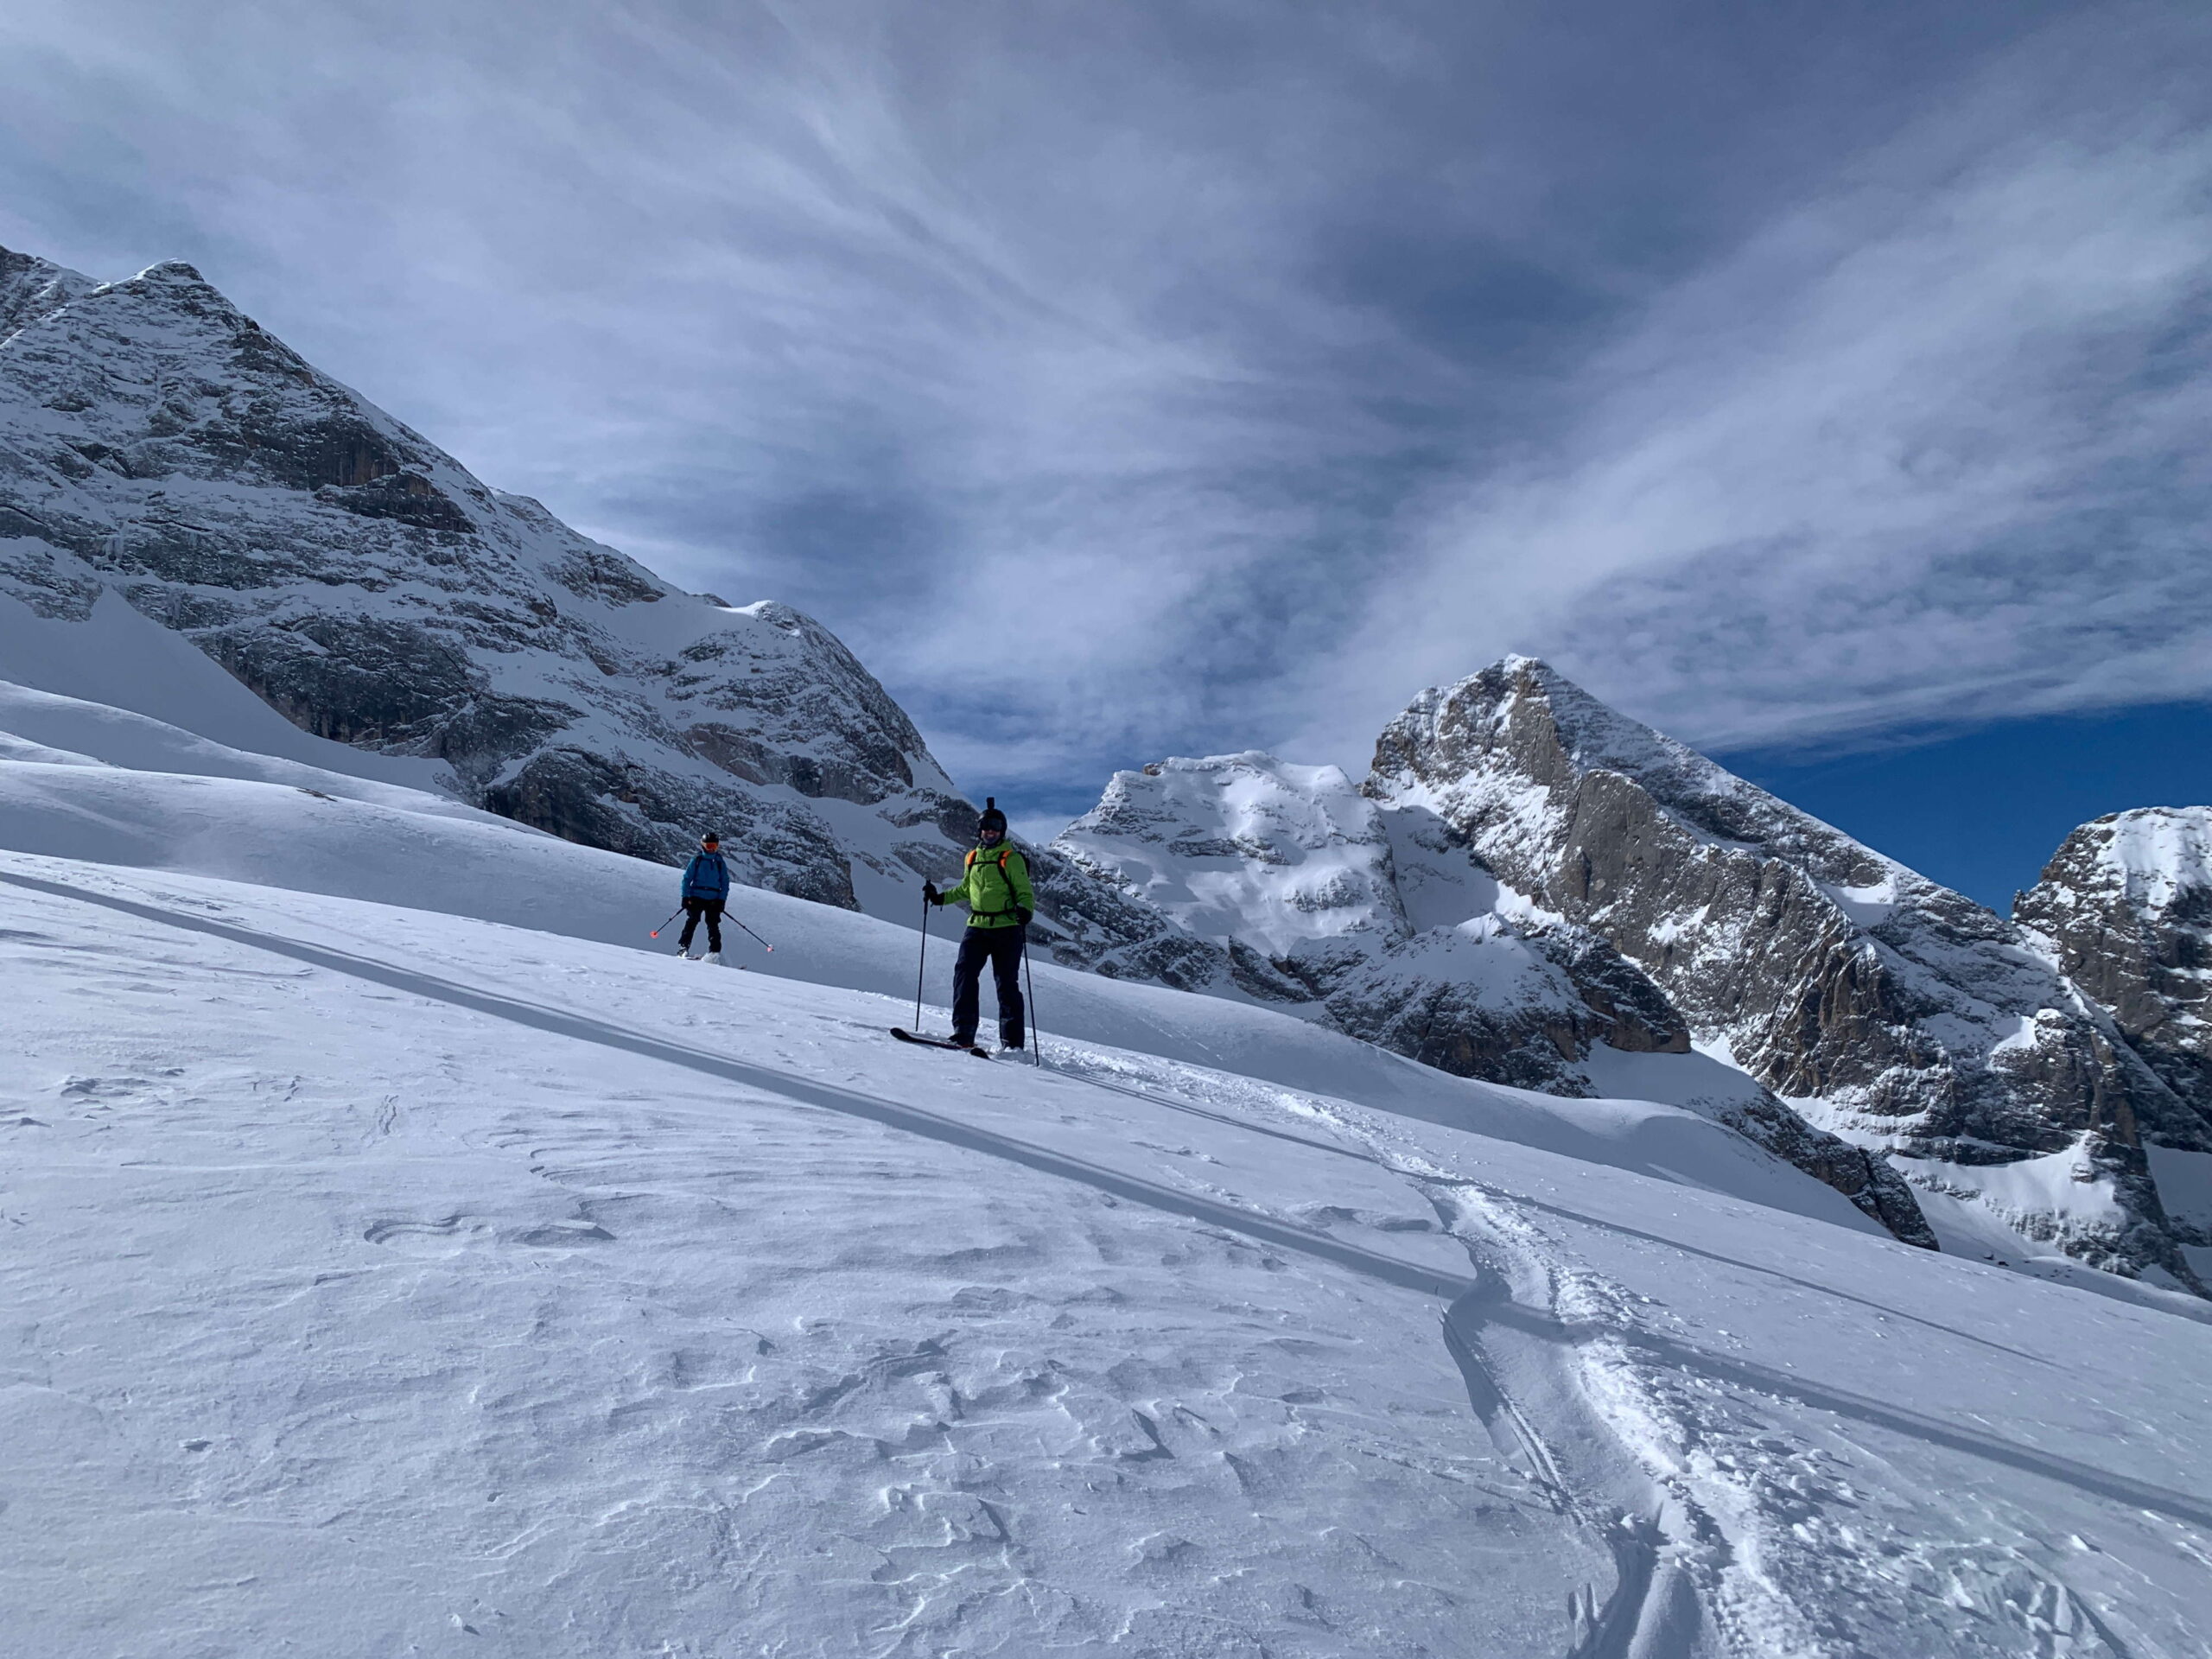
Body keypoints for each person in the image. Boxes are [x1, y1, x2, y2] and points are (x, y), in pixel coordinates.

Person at [925, 798, 1034, 1049]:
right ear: (980, 830)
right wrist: (940, 898)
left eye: (995, 827)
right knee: (964, 975)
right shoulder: (972, 857)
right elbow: (967, 888)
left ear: (1002, 831)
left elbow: (1025, 892)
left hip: (1007, 927)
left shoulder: (1011, 859)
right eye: (986, 827)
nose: (990, 831)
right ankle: (963, 1033)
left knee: (1006, 984)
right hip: (977, 926)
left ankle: (1012, 1043)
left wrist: (1025, 911)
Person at [677, 832, 730, 962]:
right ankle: (683, 948)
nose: (712, 849)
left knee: (713, 925)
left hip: (714, 899)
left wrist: (721, 900)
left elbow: (725, 882)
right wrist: (685, 897)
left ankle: (714, 952)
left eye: (714, 846)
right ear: (703, 845)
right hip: (696, 896)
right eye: (709, 846)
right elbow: (687, 879)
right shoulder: (697, 860)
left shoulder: (719, 862)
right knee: (692, 921)